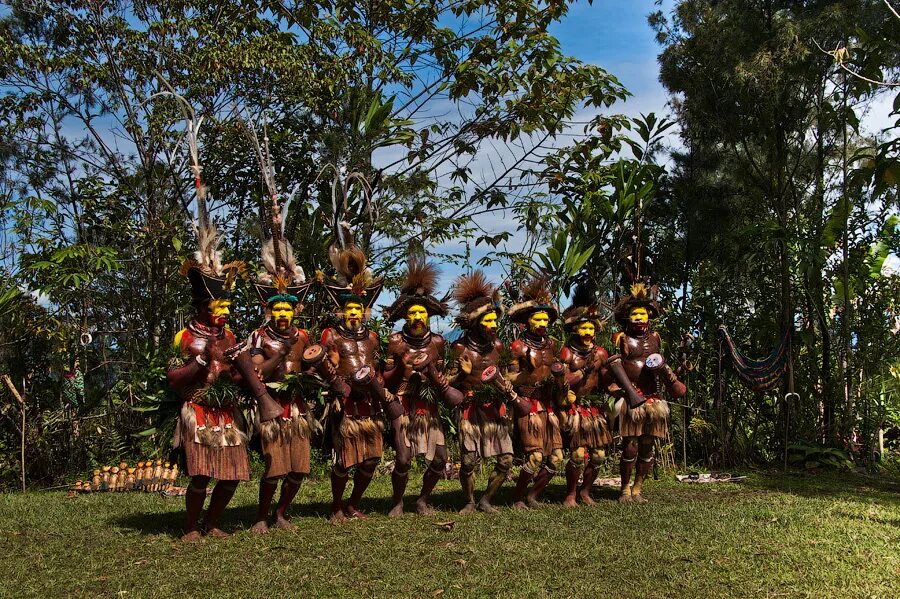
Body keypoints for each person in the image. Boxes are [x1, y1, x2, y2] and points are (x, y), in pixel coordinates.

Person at [382, 258, 463, 516]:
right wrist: (403, 369)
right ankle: (397, 502)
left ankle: (423, 500)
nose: (417, 317)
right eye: (412, 313)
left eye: (421, 313)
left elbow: (442, 376)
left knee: (439, 459)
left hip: (429, 405)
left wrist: (434, 373)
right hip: (403, 403)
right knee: (403, 458)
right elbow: (385, 379)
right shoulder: (395, 341)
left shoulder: (438, 342)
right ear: (405, 316)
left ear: (428, 315)